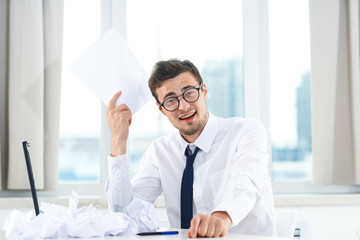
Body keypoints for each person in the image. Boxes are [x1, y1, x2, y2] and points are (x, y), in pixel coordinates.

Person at [105, 59, 277, 238]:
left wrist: (222, 217)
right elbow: (123, 216)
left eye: (189, 93)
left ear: (203, 91)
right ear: (161, 109)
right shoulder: (159, 152)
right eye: (171, 100)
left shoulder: (246, 131)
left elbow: (246, 182)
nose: (184, 106)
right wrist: (119, 139)